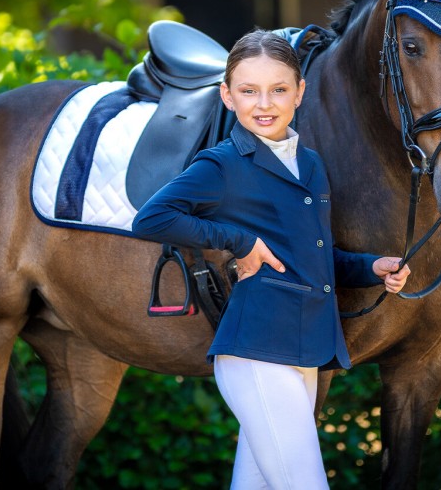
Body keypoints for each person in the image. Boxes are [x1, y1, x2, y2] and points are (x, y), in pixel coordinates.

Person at [132, 29, 411, 489]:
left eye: (279, 89)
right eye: (248, 91)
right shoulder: (221, 164)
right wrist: (238, 241)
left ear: (300, 93)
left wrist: (371, 267)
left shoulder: (312, 165)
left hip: (303, 350)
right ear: (227, 96)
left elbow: (315, 259)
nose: (264, 103)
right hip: (257, 353)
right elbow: (151, 218)